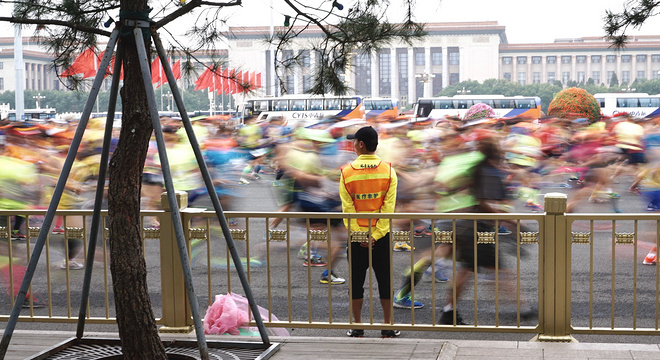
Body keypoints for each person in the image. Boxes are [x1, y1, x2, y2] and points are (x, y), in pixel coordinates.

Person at [340, 126, 400, 338]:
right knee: (385, 281)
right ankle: (387, 326)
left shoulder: (346, 172)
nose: (353, 144)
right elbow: (388, 209)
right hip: (381, 238)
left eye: (354, 141)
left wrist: (360, 234)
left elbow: (348, 209)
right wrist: (376, 234)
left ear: (361, 144)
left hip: (357, 239)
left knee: (356, 282)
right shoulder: (389, 171)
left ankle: (357, 327)